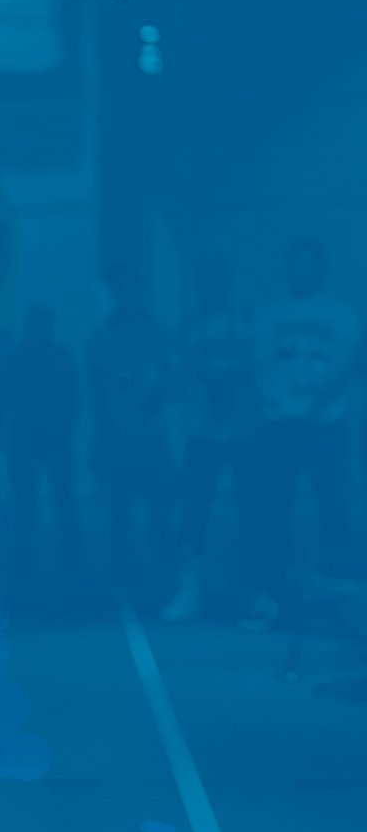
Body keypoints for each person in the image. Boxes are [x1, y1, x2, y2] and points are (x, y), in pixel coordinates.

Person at [247, 237, 360, 629]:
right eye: (297, 264)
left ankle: (341, 602)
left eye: (310, 264)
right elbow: (260, 366)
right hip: (281, 427)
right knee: (275, 511)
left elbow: (346, 363)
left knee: (334, 513)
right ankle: (274, 597)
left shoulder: (342, 314)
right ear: (289, 268)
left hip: (327, 427)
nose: (303, 270)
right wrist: (284, 404)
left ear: (321, 268)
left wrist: (315, 402)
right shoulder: (269, 315)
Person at [163, 257, 256, 622]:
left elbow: (258, 372)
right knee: (193, 513)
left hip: (242, 434)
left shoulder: (246, 322)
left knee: (250, 513)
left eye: (217, 281)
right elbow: (176, 379)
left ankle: (252, 591)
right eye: (204, 282)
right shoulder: (188, 327)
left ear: (226, 285)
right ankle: (191, 589)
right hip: (200, 433)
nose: (210, 289)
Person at [86, 267, 175, 579]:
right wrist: (108, 429)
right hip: (116, 437)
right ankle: (123, 572)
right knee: (119, 506)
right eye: (120, 290)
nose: (127, 296)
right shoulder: (100, 336)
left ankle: (163, 570)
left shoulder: (158, 331)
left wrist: (141, 418)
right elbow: (96, 387)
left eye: (132, 289)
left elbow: (168, 382)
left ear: (140, 292)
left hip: (151, 435)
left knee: (160, 506)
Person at [0, 305, 80, 579]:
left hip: (39, 436)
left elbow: (71, 398)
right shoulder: (53, 357)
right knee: (37, 498)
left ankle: (38, 554)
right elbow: (72, 397)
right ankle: (53, 553)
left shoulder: (19, 358)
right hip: (39, 436)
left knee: (52, 496)